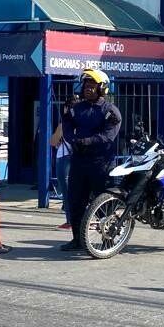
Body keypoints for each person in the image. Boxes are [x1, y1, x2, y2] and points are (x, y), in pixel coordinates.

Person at [60, 69, 122, 252]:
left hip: (101, 164)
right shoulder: (77, 108)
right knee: (75, 202)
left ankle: (109, 240)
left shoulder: (110, 111)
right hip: (79, 162)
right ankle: (77, 240)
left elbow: (108, 136)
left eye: (92, 86)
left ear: (102, 88)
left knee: (103, 205)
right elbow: (67, 126)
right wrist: (73, 139)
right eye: (86, 85)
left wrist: (87, 141)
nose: (88, 88)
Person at [50, 96, 78, 230]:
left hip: (64, 158)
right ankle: (80, 219)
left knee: (66, 191)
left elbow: (52, 142)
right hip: (77, 159)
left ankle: (70, 220)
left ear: (67, 108)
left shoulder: (64, 124)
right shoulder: (82, 124)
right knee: (77, 191)